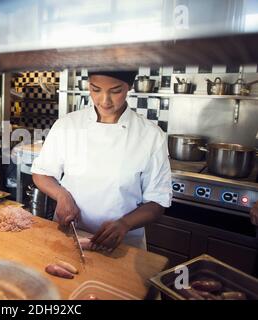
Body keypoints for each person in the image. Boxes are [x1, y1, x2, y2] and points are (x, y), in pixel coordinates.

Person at [31, 70, 172, 250]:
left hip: (122, 245)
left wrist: (124, 224)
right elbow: (41, 173)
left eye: (115, 91)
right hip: (69, 236)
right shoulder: (68, 125)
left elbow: (157, 202)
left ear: (129, 87)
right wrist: (62, 195)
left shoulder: (151, 136)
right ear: (89, 85)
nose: (104, 100)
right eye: (96, 90)